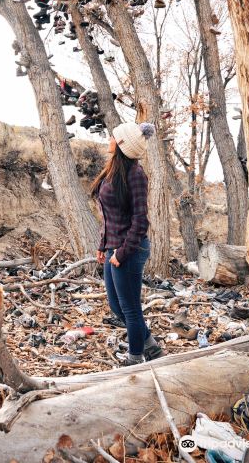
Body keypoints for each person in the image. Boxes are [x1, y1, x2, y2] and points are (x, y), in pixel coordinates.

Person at [91, 121, 164, 366]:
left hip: (131, 250)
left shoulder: (136, 175)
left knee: (131, 309)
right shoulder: (112, 170)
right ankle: (151, 346)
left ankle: (135, 359)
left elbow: (140, 220)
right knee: (116, 305)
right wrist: (103, 245)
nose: (109, 139)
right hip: (114, 247)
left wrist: (121, 253)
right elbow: (108, 215)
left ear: (121, 145)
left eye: (113, 137)